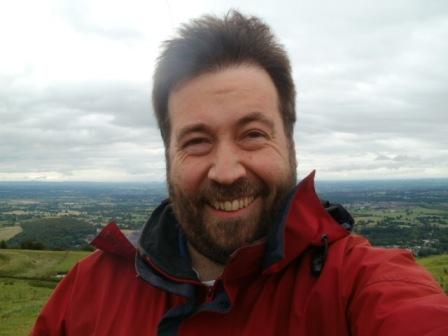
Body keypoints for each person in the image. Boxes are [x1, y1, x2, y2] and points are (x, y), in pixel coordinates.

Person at [32, 11, 448, 336]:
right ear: (167, 155)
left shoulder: (360, 285)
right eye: (196, 140)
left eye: (252, 134)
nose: (227, 172)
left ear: (290, 144)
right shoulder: (90, 289)